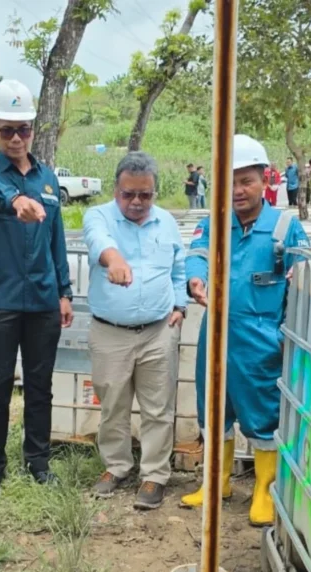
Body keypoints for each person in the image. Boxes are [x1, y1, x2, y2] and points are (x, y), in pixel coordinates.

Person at [180, 135, 309, 527]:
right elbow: (197, 258)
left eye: (246, 180)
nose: (237, 190)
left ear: (265, 178)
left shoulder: (285, 226)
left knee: (264, 415)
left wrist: (299, 275)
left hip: (261, 337)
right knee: (214, 409)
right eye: (229, 181)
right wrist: (195, 281)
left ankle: (265, 492)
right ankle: (216, 484)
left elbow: (302, 274)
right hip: (216, 333)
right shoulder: (214, 223)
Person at [0, 80, 74, 501]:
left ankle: (38, 461)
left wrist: (64, 291)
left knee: (40, 384)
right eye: (6, 129)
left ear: (32, 129)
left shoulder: (48, 179)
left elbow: (56, 239)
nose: (15, 138)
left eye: (23, 129)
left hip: (43, 299)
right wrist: (13, 199)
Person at [83, 152, 187, 510]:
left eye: (146, 195)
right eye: (129, 194)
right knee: (113, 404)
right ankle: (117, 466)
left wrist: (179, 305)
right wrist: (114, 260)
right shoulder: (98, 216)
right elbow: (99, 242)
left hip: (159, 331)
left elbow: (178, 268)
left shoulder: (167, 223)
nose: (137, 202)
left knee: (159, 407)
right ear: (116, 189)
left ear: (155, 192)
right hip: (110, 331)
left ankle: (155, 475)